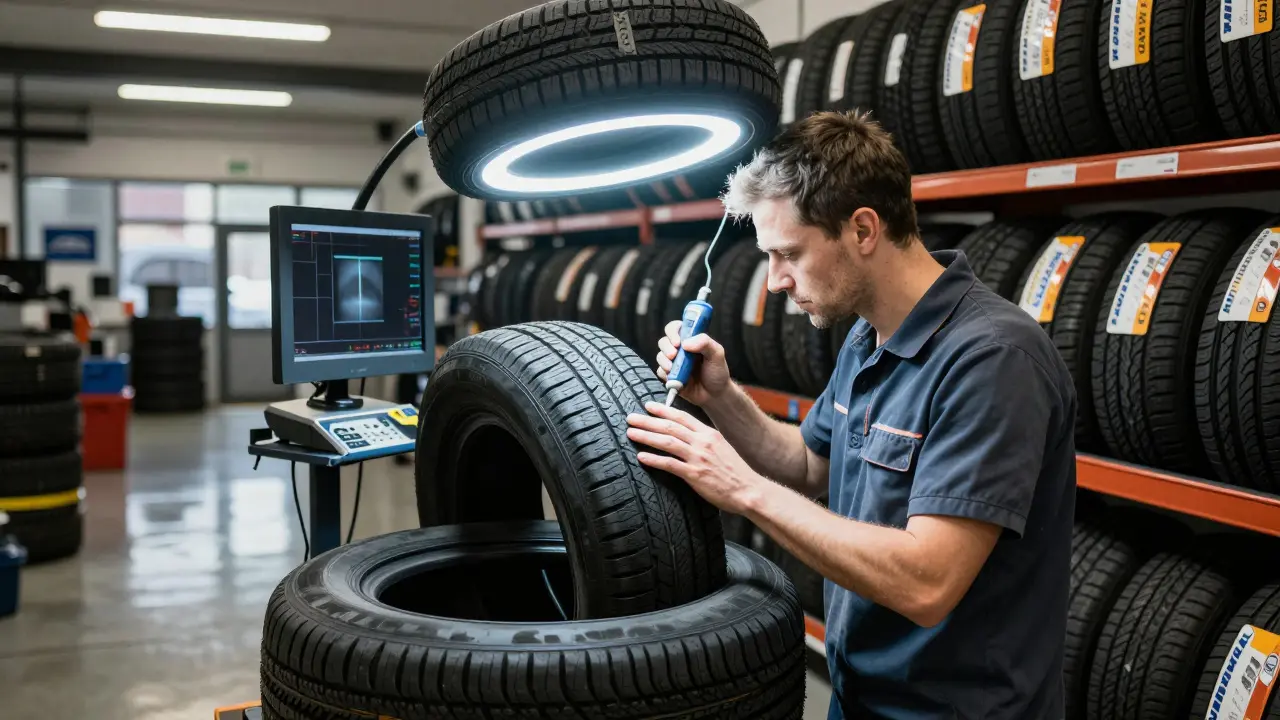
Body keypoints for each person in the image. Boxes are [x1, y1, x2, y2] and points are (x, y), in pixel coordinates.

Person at [624, 111, 1076, 719]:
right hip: (862, 698)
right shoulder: (869, 336)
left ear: (863, 228)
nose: (775, 281)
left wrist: (743, 491)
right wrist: (722, 398)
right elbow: (812, 462)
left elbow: (927, 582)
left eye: (788, 254)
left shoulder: (993, 361)